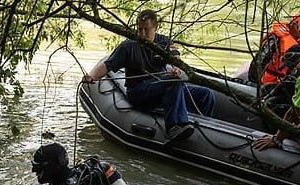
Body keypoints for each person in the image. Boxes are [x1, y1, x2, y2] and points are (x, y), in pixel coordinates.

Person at [82, 9, 215, 143]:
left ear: (155, 28)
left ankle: (202, 132)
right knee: (172, 82)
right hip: (139, 92)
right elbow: (107, 65)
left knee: (206, 94)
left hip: (160, 88)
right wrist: (91, 76)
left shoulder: (163, 42)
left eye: (146, 29)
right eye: (140, 29)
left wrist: (176, 68)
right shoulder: (128, 46)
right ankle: (174, 127)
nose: (143, 34)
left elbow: (176, 58)